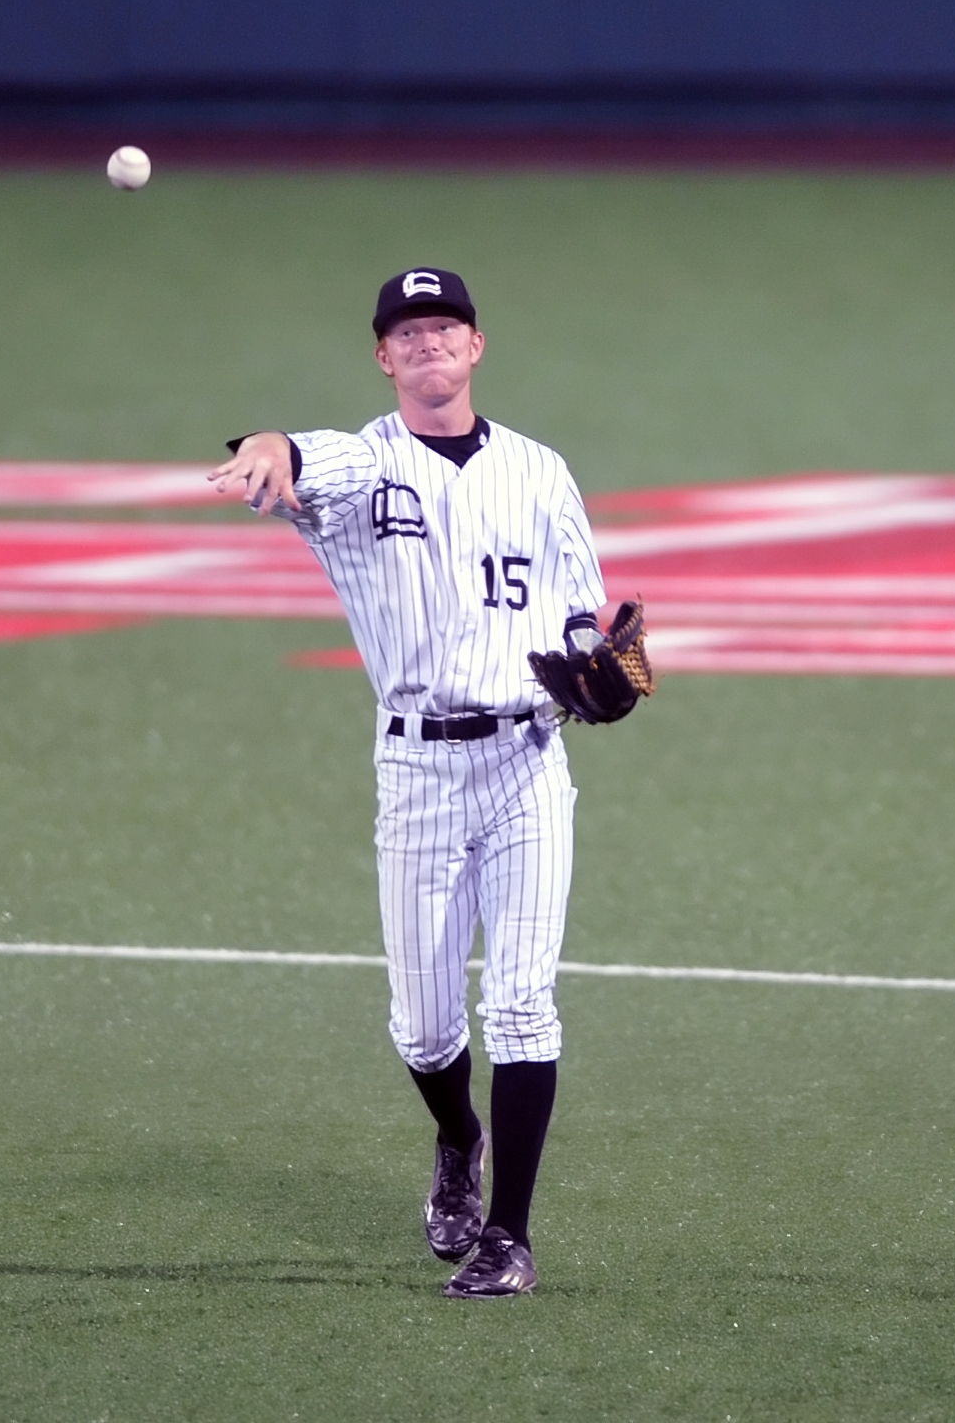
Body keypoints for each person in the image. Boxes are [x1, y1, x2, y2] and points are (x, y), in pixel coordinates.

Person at [209, 267, 607, 1298]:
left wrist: (602, 672)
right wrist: (265, 449)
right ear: (383, 357)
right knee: (426, 1028)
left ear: (476, 346)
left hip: (526, 762)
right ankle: (454, 1135)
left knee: (522, 1006)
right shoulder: (357, 469)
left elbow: (582, 616)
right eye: (408, 331)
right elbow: (297, 454)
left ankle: (507, 1236)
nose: (428, 341)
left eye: (445, 326)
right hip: (417, 767)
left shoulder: (540, 471)